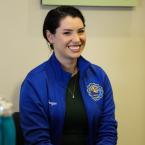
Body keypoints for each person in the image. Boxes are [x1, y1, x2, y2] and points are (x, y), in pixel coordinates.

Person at [19, 6, 118, 145]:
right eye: (67, 33)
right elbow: (37, 140)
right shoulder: (34, 82)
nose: (77, 39)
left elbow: (108, 130)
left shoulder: (99, 76)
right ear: (50, 36)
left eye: (81, 31)